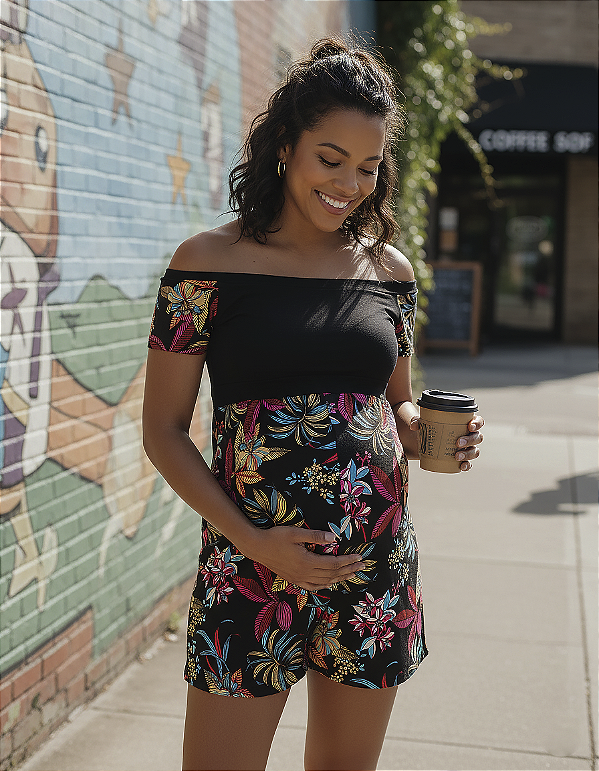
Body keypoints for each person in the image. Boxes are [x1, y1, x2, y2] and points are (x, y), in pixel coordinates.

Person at [142, 37, 484, 771]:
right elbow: (163, 432)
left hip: (375, 568)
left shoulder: (388, 270)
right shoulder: (206, 263)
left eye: (366, 166)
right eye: (329, 159)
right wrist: (254, 539)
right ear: (283, 148)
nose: (349, 183)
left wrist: (432, 434)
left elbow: (395, 406)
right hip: (248, 565)